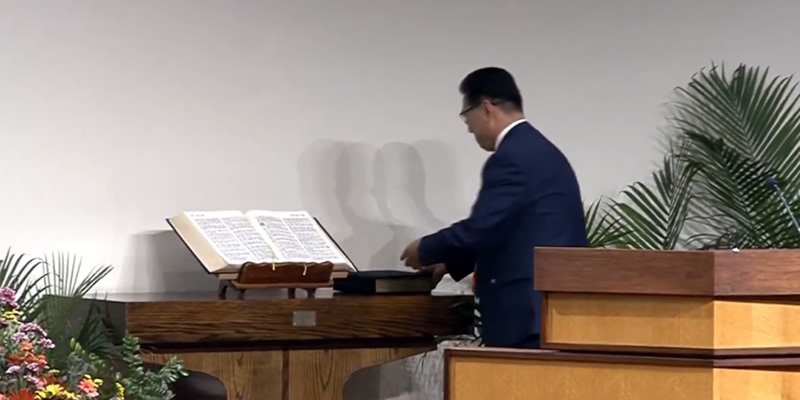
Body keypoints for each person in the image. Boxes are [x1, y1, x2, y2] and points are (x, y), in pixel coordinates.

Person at [400, 67, 588, 348]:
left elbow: (481, 228)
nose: (468, 128)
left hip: (527, 314)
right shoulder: (539, 150)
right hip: (551, 309)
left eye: (467, 116)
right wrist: (450, 264)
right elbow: (506, 229)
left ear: (486, 108)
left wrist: (424, 249)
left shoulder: (511, 157)